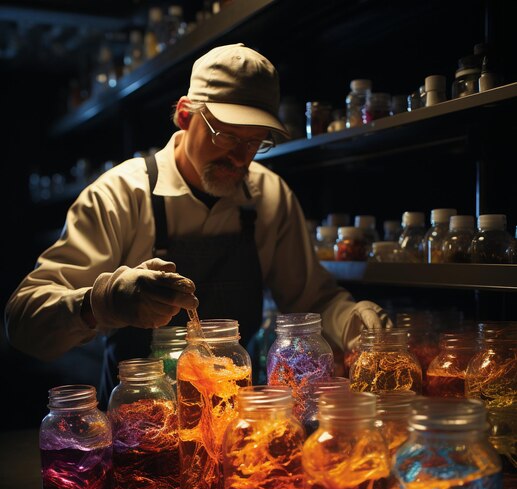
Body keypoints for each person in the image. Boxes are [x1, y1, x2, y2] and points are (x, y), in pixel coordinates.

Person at [5, 43, 391, 407]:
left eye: (256, 141)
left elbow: (313, 301)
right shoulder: (120, 195)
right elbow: (23, 325)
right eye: (228, 136)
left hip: (232, 420)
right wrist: (101, 303)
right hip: (141, 433)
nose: (242, 158)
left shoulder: (269, 195)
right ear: (185, 114)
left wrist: (355, 324)